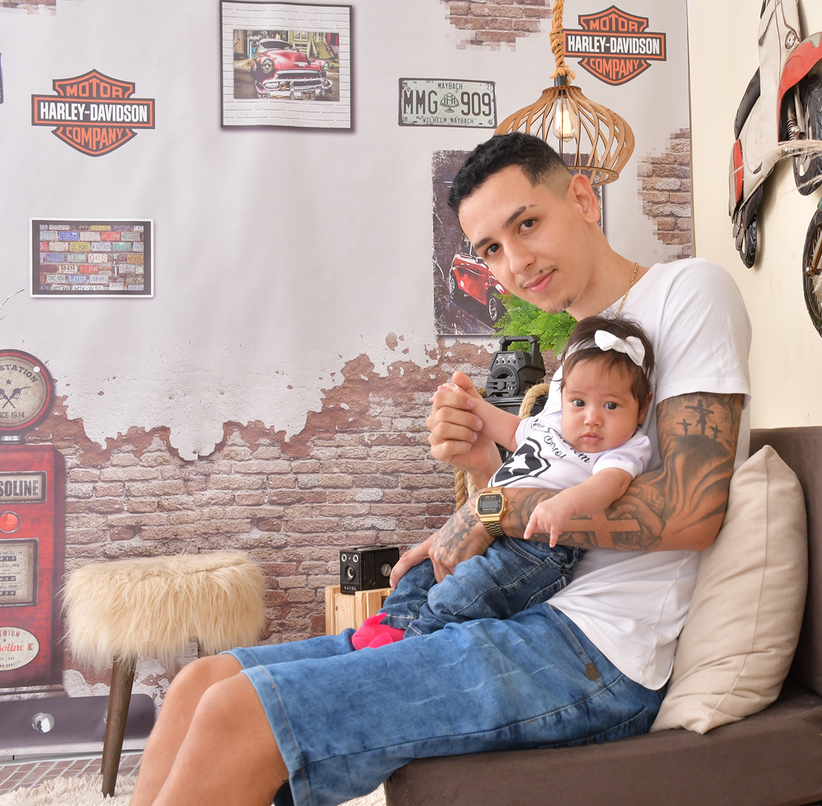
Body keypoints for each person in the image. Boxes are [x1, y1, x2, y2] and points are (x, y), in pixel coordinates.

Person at [131, 132, 751, 806]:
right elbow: (526, 507)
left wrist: (489, 510)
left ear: (582, 199)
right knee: (200, 686)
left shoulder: (686, 292)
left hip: (596, 653)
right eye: (491, 249)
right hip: (516, 612)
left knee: (238, 713)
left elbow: (692, 512)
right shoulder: (574, 366)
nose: (515, 262)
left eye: (527, 224)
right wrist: (483, 464)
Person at [354, 314, 655, 646]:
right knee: (423, 562)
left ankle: (418, 638)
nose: (592, 418)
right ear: (564, 397)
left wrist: (566, 504)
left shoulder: (626, 448)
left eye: (611, 405)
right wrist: (468, 403)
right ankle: (392, 622)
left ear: (642, 408)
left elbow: (609, 485)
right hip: (493, 523)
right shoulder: (551, 424)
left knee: (468, 589)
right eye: (579, 402)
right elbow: (510, 431)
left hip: (536, 546)